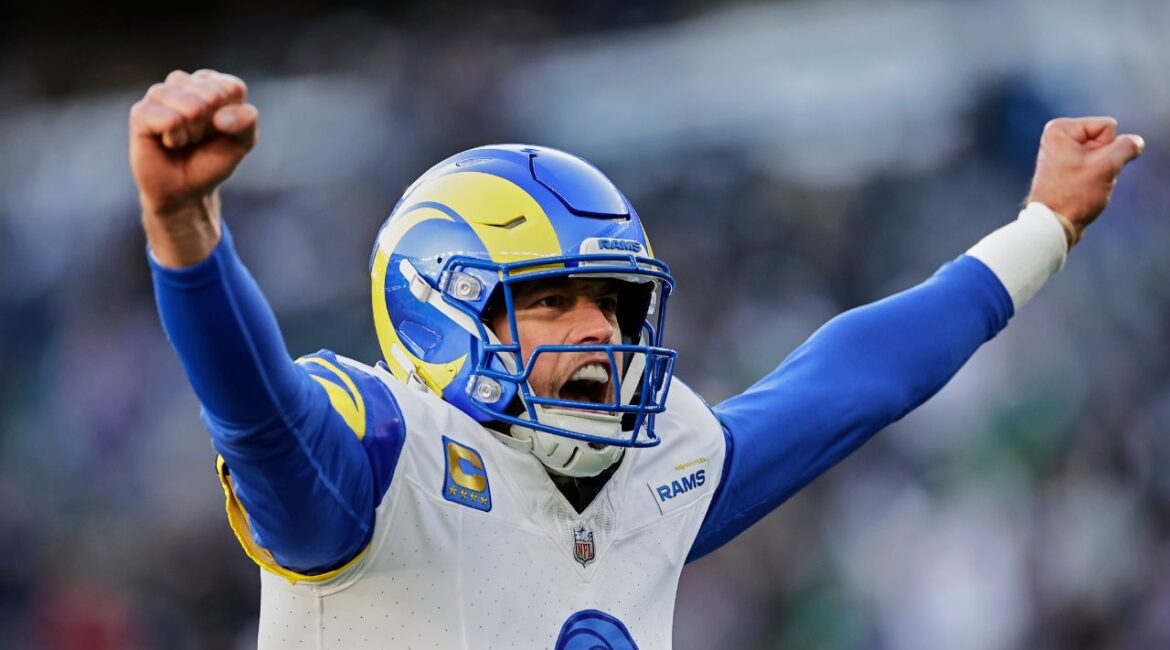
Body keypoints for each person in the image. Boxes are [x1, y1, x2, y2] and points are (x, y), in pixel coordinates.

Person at [131, 69, 1144, 649]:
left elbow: (851, 379)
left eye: (613, 305)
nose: (601, 333)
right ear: (437, 313)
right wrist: (186, 232)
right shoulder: (379, 468)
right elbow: (256, 411)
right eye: (553, 300)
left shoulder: (660, 467)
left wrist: (1043, 225)